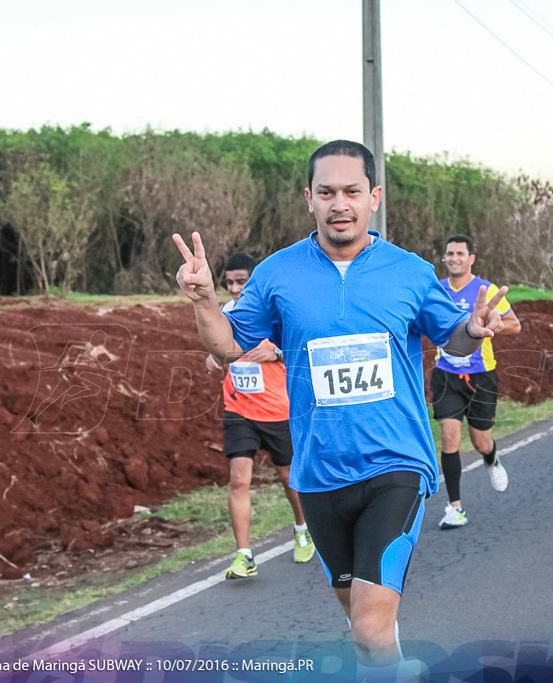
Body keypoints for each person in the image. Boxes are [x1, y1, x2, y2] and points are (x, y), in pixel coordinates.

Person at [173, 140, 508, 678]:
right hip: (320, 473)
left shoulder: (410, 271)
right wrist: (206, 302)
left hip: (395, 465)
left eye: (352, 191)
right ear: (309, 199)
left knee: (372, 631)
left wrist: (472, 328)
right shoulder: (279, 273)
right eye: (327, 192)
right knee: (363, 630)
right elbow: (229, 347)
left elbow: (456, 337)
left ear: (373, 197)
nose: (340, 203)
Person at [206, 252, 315, 579]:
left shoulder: (276, 314)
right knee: (239, 479)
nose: (235, 288)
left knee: (288, 479)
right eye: (230, 282)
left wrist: (276, 352)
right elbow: (215, 349)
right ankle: (244, 555)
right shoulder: (226, 313)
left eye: (242, 281)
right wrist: (212, 358)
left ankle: (302, 527)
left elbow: (304, 347)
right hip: (239, 410)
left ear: (256, 281)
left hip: (278, 411)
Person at [431, 234, 521, 530]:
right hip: (446, 374)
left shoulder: (486, 289)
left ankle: (492, 458)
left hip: (481, 375)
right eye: (449, 254)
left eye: (460, 253)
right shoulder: (436, 290)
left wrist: (487, 325)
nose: (454, 258)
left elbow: (514, 324)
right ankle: (455, 507)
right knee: (449, 438)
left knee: (481, 440)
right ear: (444, 258)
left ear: (471, 258)